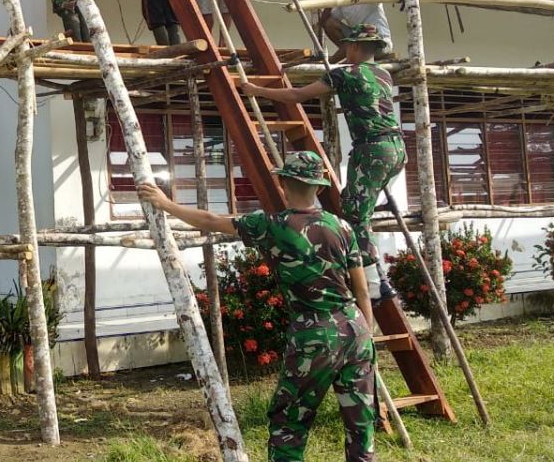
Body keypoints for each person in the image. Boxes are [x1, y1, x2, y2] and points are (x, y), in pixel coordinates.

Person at [139, 151, 376, 462]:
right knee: (361, 423)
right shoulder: (342, 227)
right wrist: (367, 332)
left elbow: (212, 221)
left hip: (314, 334)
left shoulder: (272, 225)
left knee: (289, 420)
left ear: (283, 183)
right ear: (318, 187)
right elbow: (361, 288)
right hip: (355, 328)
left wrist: (166, 204)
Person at [240, 23, 403, 302]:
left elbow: (298, 96)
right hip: (397, 148)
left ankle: (376, 285)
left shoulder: (345, 74)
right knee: (361, 206)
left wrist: (256, 90)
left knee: (355, 216)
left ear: (352, 46)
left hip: (371, 150)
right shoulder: (385, 74)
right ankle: (375, 275)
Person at [319, 0, 392, 62]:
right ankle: (350, 54)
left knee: (356, 40)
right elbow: (324, 23)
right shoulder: (344, 1)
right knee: (330, 24)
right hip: (358, 42)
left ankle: (331, 63)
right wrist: (330, 2)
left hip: (380, 44)